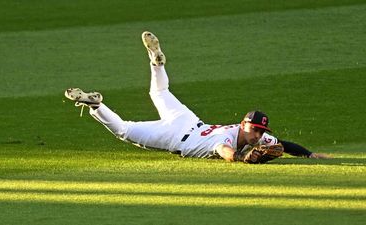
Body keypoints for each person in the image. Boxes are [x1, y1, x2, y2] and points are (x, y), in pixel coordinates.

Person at [64, 31, 331, 163]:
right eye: (255, 130)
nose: (259, 136)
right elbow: (224, 151)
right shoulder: (227, 138)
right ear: (243, 124)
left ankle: (156, 64)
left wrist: (309, 155)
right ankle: (97, 104)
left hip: (187, 121)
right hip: (174, 135)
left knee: (159, 92)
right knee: (124, 129)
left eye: (262, 131)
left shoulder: (256, 137)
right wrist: (242, 159)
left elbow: (284, 143)